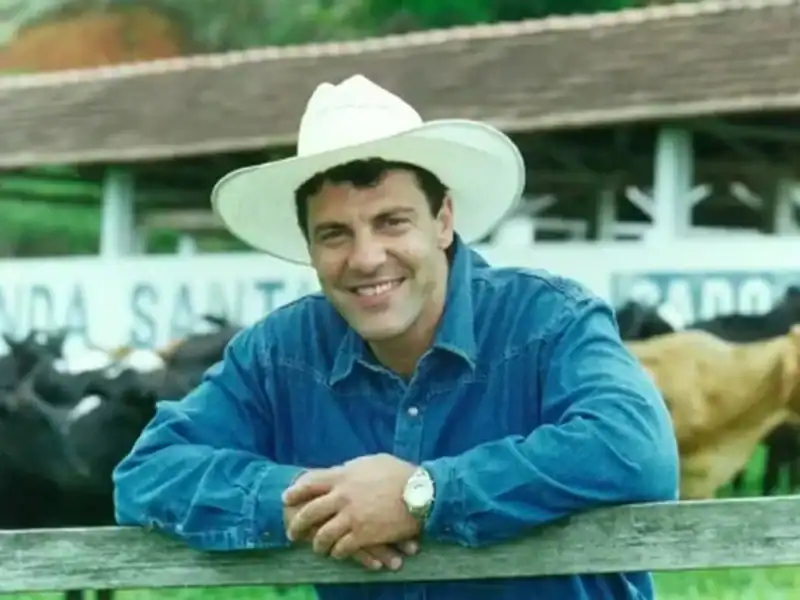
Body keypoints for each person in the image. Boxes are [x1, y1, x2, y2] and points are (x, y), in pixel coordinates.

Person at [112, 74, 680, 600]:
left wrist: (424, 494)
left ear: (443, 220)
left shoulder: (548, 320)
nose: (365, 257)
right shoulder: (278, 354)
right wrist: (318, 502)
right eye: (335, 234)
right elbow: (148, 473)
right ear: (310, 248)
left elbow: (634, 449)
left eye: (392, 222)